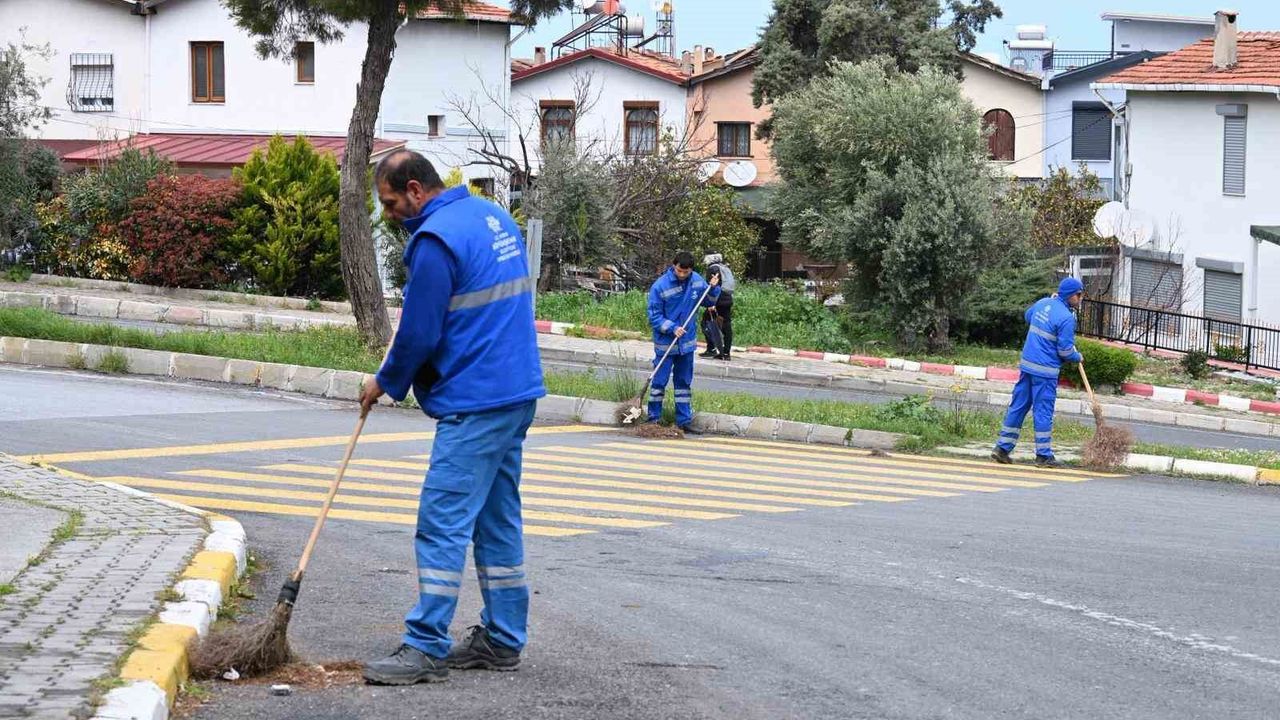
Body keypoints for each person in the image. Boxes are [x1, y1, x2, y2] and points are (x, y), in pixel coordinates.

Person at [358, 150, 545, 685]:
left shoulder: (434, 240)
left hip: (476, 400)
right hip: (516, 392)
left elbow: (419, 334)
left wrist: (384, 382)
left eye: (390, 203)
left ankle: (425, 645)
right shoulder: (492, 216)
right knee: (495, 520)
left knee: (442, 520)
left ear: (416, 190)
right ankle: (503, 638)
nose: (389, 214)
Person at [992, 277, 1085, 469]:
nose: (1080, 298)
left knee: (1018, 406)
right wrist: (1078, 356)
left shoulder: (1043, 303)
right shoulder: (1067, 318)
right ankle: (1043, 455)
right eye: (1078, 294)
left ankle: (1002, 448)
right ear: (1070, 295)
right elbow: (1065, 351)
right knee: (1043, 412)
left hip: (1027, 366)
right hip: (1045, 372)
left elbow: (1028, 316)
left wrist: (1049, 303)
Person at [647, 251, 720, 433]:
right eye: (679, 271)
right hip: (666, 344)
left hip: (686, 345)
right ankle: (653, 419)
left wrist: (713, 288)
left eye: (685, 272)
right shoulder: (660, 286)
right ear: (674, 266)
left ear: (691, 270)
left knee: (683, 384)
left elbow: (708, 301)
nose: (681, 274)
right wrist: (672, 328)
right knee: (659, 382)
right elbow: (654, 316)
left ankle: (684, 421)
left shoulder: (696, 281)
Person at [699, 253, 736, 360]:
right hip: (727, 299)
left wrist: (712, 303)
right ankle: (726, 352)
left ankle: (712, 349)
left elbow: (712, 286)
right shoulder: (724, 267)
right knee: (726, 325)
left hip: (718, 300)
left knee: (706, 322)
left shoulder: (712, 269)